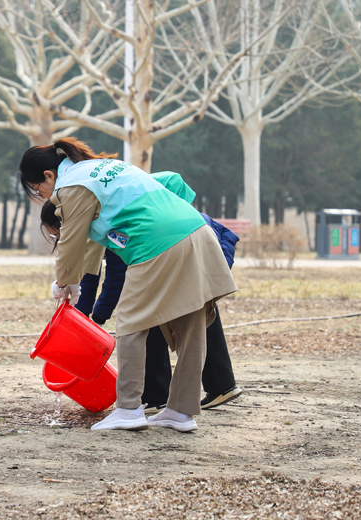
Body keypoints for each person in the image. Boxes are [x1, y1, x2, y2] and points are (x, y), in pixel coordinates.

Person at [19, 137, 237, 432]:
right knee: (191, 320)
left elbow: (71, 237)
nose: (43, 195)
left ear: (48, 175)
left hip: (156, 242)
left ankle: (129, 409)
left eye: (38, 188)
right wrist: (76, 283)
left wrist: (63, 281)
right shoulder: (101, 168)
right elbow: (92, 244)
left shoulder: (71, 185)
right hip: (196, 229)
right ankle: (181, 412)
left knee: (131, 322)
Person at [40, 199, 243, 413]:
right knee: (190, 307)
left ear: (69, 221)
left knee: (156, 312)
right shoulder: (96, 215)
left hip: (192, 241)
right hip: (187, 236)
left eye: (58, 234)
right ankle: (219, 385)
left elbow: (116, 279)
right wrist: (81, 318)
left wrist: (96, 320)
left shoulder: (108, 221)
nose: (60, 240)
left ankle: (155, 399)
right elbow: (90, 275)